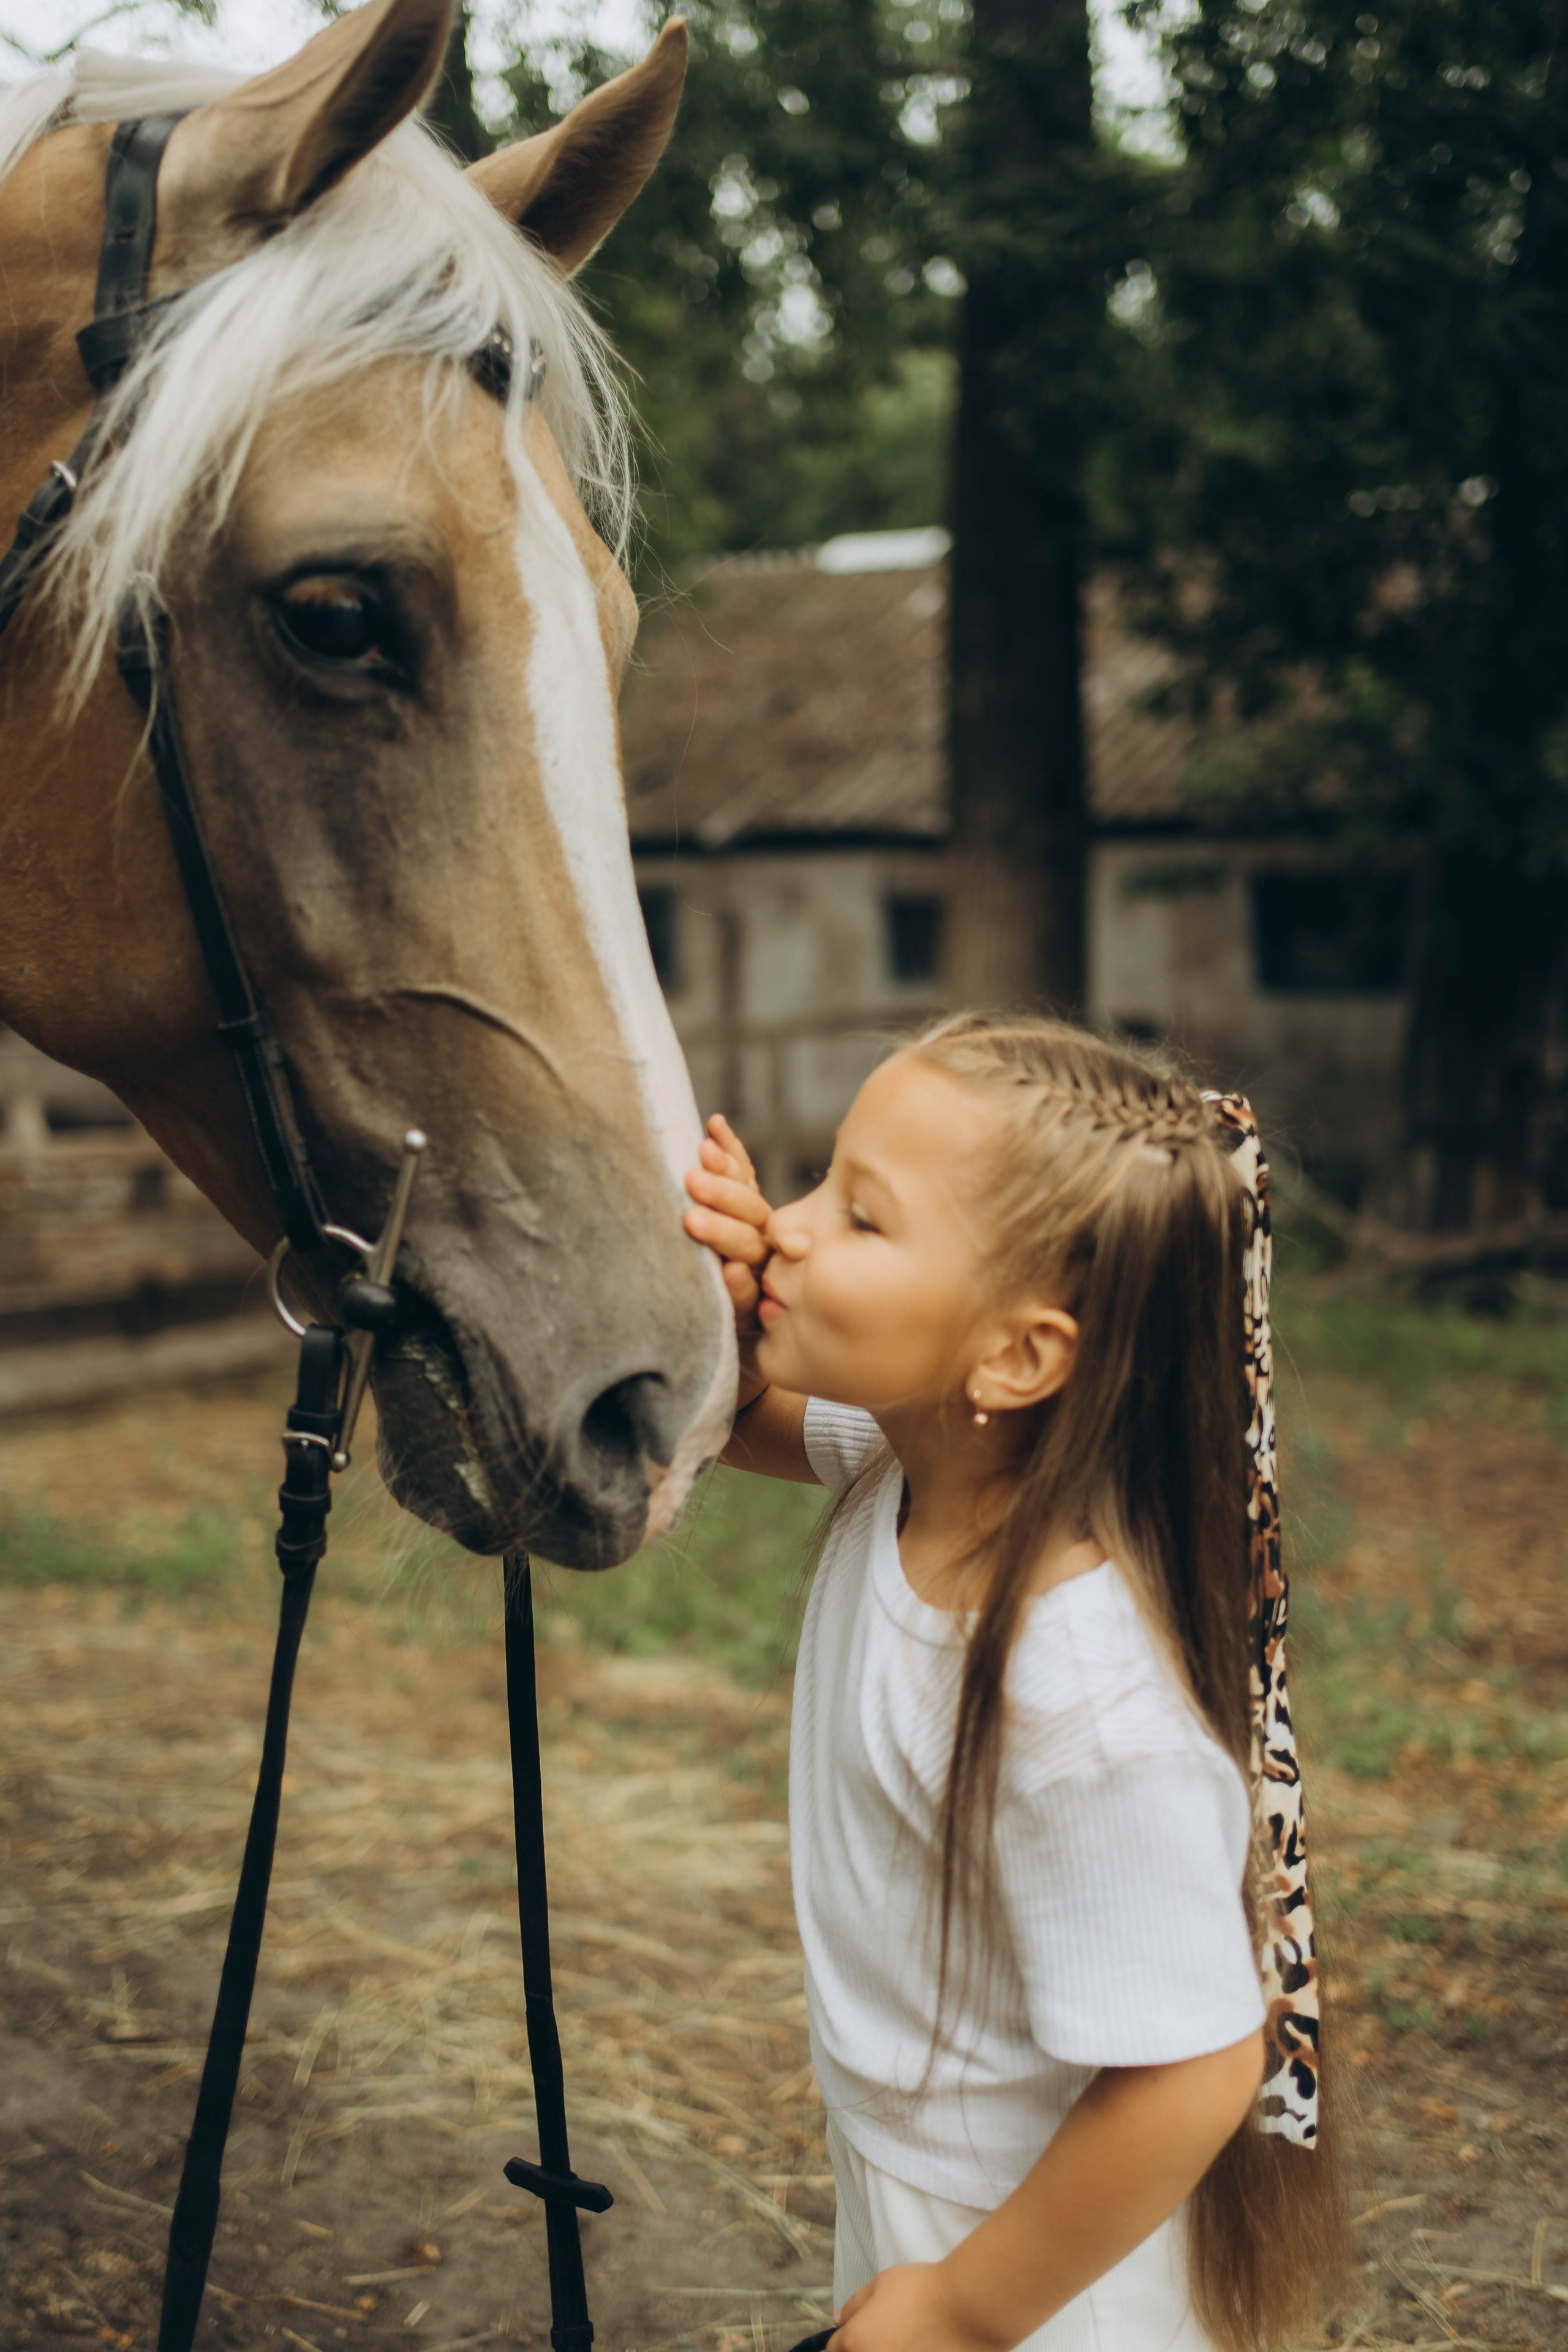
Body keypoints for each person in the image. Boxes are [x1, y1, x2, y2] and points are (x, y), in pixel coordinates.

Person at [681, 1015, 1343, 2352]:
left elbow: (1195, 2064)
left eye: (860, 1220)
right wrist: (735, 1278)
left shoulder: (1080, 1695)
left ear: (1017, 1359)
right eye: (816, 1179)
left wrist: (964, 2313)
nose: (796, 1224)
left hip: (1051, 2268)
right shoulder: (915, 1459)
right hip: (936, 2189)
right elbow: (734, 1411)